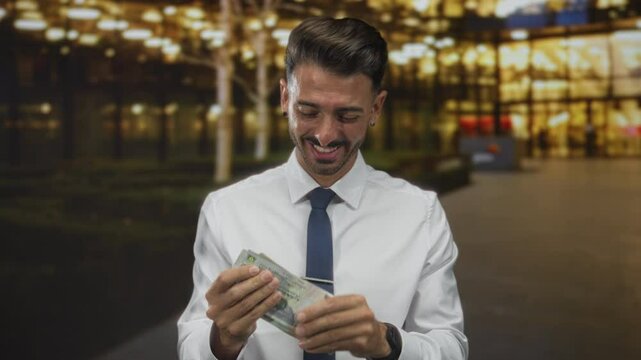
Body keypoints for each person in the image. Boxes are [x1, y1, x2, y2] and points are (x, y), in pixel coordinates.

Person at [177, 16, 468, 360]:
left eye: (347, 115)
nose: (325, 135)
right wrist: (222, 339)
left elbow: (451, 348)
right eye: (309, 111)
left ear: (376, 108)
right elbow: (191, 345)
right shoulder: (226, 209)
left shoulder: (421, 214)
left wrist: (385, 341)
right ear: (285, 97)